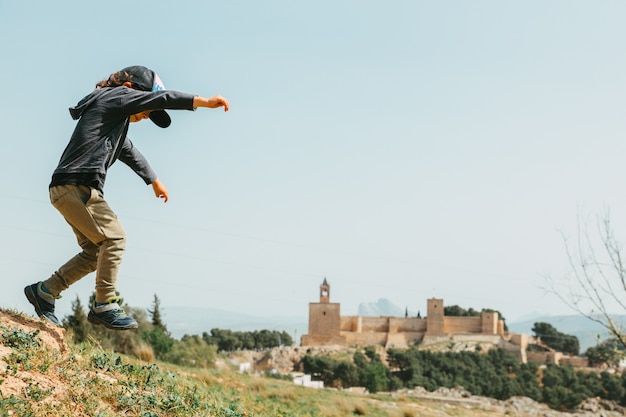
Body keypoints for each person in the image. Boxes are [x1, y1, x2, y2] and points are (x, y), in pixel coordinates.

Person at [24, 65, 229, 330]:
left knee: (96, 251)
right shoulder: (116, 97)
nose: (145, 116)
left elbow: (130, 152)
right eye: (145, 109)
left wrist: (154, 180)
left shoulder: (112, 119)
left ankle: (45, 291)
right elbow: (161, 98)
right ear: (130, 89)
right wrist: (202, 102)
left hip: (67, 188)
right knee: (115, 237)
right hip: (79, 185)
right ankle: (105, 304)